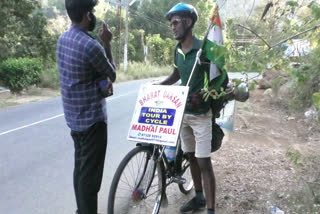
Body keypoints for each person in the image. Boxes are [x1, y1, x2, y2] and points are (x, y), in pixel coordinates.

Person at [56, 0, 116, 213]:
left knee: (81, 171)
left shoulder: (63, 39)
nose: (93, 15)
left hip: (74, 120)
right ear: (87, 15)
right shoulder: (91, 45)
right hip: (93, 122)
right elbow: (112, 73)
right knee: (90, 180)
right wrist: (107, 43)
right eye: (91, 11)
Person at [160, 3, 220, 214]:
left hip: (201, 114)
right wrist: (159, 86)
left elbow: (220, 78)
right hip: (183, 113)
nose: (172, 27)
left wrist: (207, 94)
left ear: (188, 22)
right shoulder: (178, 50)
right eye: (171, 24)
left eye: (175, 22)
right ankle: (199, 197)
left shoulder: (204, 49)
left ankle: (211, 209)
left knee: (204, 161)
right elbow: (176, 75)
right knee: (191, 157)